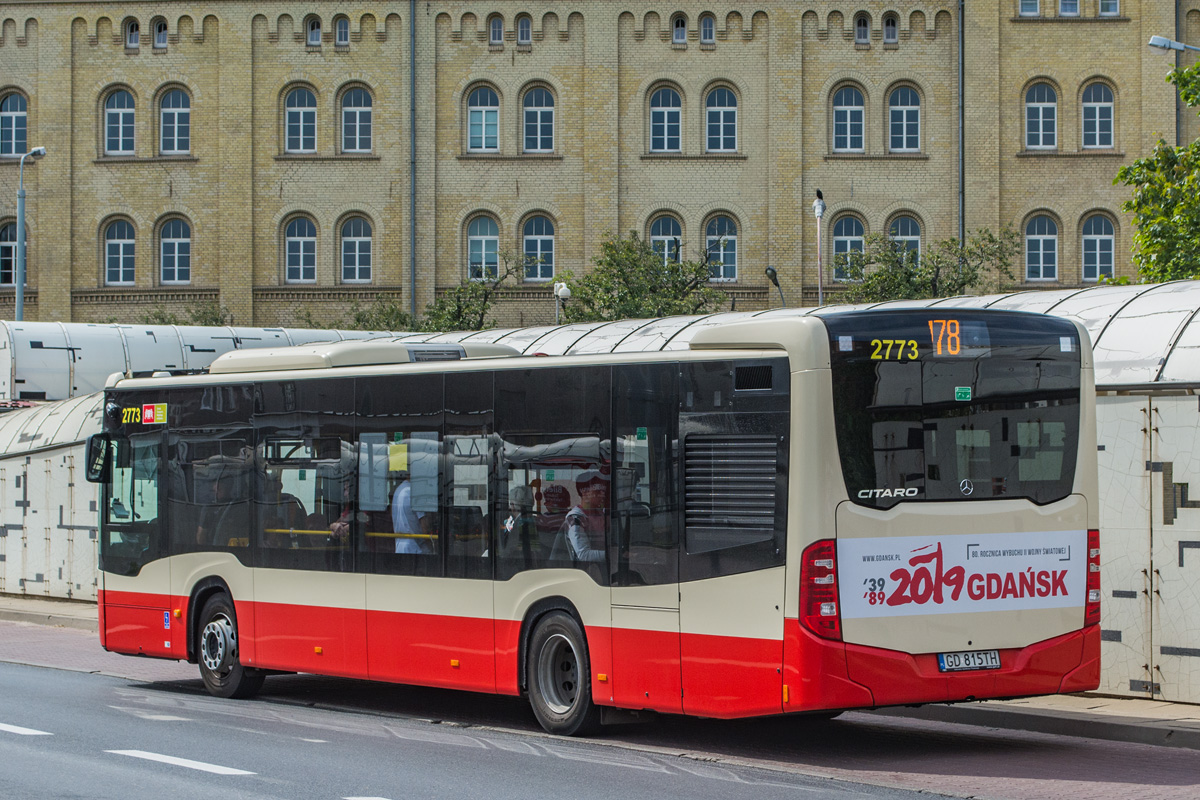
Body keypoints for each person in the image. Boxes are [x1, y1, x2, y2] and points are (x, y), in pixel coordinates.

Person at [555, 470, 607, 563]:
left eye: (604, 490)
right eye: (598, 490)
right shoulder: (575, 519)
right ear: (584, 492)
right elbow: (583, 555)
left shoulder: (603, 515)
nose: (602, 494)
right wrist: (613, 554)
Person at [391, 475, 434, 554]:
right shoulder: (414, 493)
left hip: (400, 547)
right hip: (416, 548)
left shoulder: (399, 489)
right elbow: (424, 528)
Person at [499, 484, 538, 570]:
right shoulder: (534, 520)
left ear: (513, 505)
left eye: (510, 504)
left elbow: (508, 552)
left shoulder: (520, 524)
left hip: (519, 569)